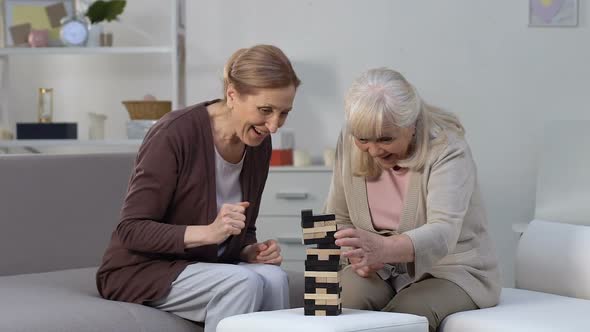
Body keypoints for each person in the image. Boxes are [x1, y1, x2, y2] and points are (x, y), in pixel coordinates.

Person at [96, 44, 301, 332]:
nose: (274, 126)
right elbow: (131, 229)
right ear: (232, 95)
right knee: (241, 283)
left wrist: (248, 251)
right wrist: (208, 232)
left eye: (284, 113)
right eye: (265, 110)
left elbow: (244, 229)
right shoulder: (174, 133)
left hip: (203, 266)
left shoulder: (258, 143)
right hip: (143, 269)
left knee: (274, 277)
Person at [326, 68, 500, 332]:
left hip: (450, 270)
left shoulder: (447, 147)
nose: (373, 151)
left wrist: (384, 249)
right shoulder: (350, 139)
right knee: (341, 306)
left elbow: (443, 232)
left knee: (405, 318)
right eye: (363, 140)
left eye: (386, 139)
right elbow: (337, 217)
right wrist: (355, 257)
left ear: (412, 125)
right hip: (378, 270)